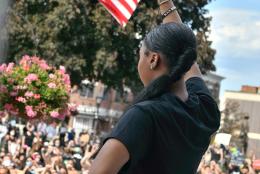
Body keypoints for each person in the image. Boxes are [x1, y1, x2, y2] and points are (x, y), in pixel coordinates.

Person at [88, 0, 220, 174]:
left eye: (141, 54)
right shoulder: (205, 111)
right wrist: (165, 2)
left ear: (153, 59)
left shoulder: (144, 115)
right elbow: (184, 51)